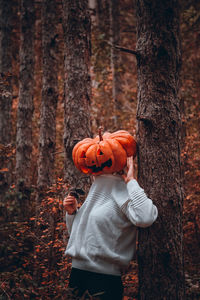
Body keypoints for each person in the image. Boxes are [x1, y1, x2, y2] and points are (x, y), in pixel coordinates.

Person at [63, 156, 158, 300]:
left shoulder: (121, 190)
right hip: (77, 275)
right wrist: (72, 214)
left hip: (104, 280)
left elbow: (146, 217)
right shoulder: (97, 188)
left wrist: (131, 181)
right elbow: (84, 236)